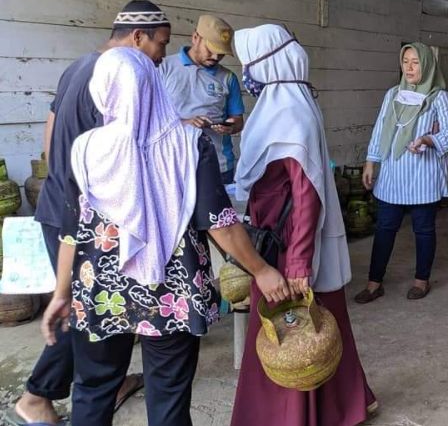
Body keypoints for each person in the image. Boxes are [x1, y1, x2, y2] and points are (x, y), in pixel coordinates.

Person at [39, 47, 289, 426]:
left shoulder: (86, 149)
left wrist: (61, 292)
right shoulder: (189, 145)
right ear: (155, 85)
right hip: (171, 293)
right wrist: (262, 270)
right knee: (168, 395)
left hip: (100, 290)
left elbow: (71, 231)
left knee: (92, 389)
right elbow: (219, 222)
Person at [11, 0, 171, 426]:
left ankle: (105, 380)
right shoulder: (116, 78)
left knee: (90, 310)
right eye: (161, 43)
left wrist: (61, 181)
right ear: (138, 37)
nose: (162, 56)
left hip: (59, 202)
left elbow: (51, 131)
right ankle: (36, 395)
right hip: (79, 217)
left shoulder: (79, 66)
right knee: (80, 310)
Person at [230, 24, 377, 426]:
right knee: (320, 327)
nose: (245, 75)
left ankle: (289, 417)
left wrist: (297, 263)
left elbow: (306, 193)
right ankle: (346, 405)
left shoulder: (289, 113)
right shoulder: (282, 107)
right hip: (283, 236)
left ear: (266, 66)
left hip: (290, 242)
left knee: (290, 331)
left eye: (249, 65)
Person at [354, 43, 448, 303]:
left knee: (423, 230)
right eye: (405, 62)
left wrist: (426, 139)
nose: (409, 67)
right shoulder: (393, 94)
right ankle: (374, 283)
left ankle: (421, 281)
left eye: (416, 62)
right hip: (392, 173)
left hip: (423, 175)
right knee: (385, 229)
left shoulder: (438, 97)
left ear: (427, 65)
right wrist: (370, 161)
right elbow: (380, 129)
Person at [159, 14, 245, 184]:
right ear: (195, 37)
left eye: (220, 54)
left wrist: (230, 126)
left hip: (218, 167)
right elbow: (148, 118)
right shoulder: (163, 68)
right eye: (211, 49)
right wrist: (184, 123)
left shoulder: (228, 78)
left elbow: (238, 121)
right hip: (172, 165)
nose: (215, 57)